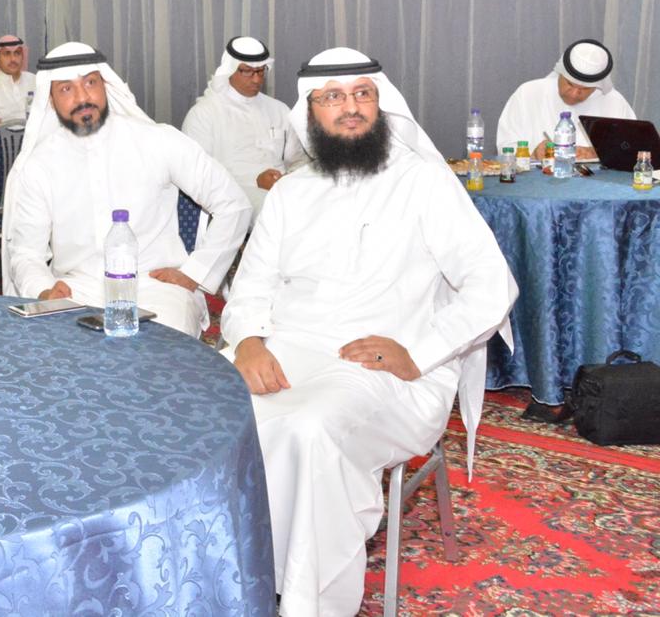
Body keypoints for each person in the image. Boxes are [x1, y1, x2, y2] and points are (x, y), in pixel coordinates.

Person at [220, 47, 517, 615]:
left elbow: (491, 284)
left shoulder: (423, 182)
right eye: (333, 97)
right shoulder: (290, 192)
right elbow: (251, 286)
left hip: (392, 368)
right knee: (206, 411)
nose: (351, 107)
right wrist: (250, 341)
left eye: (363, 94)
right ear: (309, 112)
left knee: (309, 429)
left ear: (382, 104)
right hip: (288, 347)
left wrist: (420, 351)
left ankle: (309, 602)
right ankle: (227, 576)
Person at [3, 42, 252, 337]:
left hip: (156, 289)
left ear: (106, 85)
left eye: (90, 83)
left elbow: (234, 204)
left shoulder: (158, 141)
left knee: (161, 353)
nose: (82, 98)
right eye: (66, 89)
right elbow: (26, 253)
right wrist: (44, 290)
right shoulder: (39, 165)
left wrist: (196, 272)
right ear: (50, 99)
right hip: (76, 290)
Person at [182, 36, 305, 219]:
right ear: (230, 69)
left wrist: (287, 179)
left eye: (261, 71)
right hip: (232, 194)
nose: (256, 79)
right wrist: (256, 182)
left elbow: (298, 161)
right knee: (276, 210)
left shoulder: (279, 110)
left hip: (283, 188)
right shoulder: (204, 114)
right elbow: (197, 174)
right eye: (247, 71)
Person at [496, 38, 636, 158]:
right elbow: (505, 145)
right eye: (569, 84)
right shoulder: (528, 93)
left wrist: (597, 153)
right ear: (561, 73)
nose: (573, 94)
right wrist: (532, 153)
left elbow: (632, 150)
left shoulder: (615, 102)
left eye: (584, 89)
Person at [0, 35, 38, 123]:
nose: (13, 59)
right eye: (7, 53)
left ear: (22, 57)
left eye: (17, 53)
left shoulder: (35, 80)